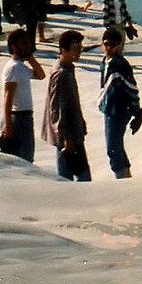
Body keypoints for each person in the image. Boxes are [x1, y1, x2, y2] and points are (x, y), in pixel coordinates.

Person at [42, 29, 90, 181]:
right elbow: (56, 108)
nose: (79, 52)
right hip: (67, 135)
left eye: (80, 48)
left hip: (73, 130)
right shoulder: (61, 73)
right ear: (64, 50)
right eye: (75, 49)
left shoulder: (68, 68)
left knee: (74, 174)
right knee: (74, 177)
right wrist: (66, 137)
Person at [97, 27, 142, 179]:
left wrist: (137, 111)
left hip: (119, 111)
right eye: (106, 44)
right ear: (102, 44)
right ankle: (126, 177)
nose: (109, 48)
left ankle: (122, 181)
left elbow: (132, 89)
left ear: (118, 45)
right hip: (108, 109)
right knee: (116, 146)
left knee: (113, 148)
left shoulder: (120, 64)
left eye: (113, 45)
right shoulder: (105, 62)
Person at [0, 28, 46, 162]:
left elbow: (40, 75)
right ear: (14, 47)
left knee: (25, 157)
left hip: (24, 117)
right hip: (17, 118)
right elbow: (8, 97)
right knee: (23, 159)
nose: (28, 46)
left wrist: (30, 57)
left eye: (29, 43)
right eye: (24, 43)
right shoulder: (13, 67)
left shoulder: (20, 66)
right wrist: (8, 124)